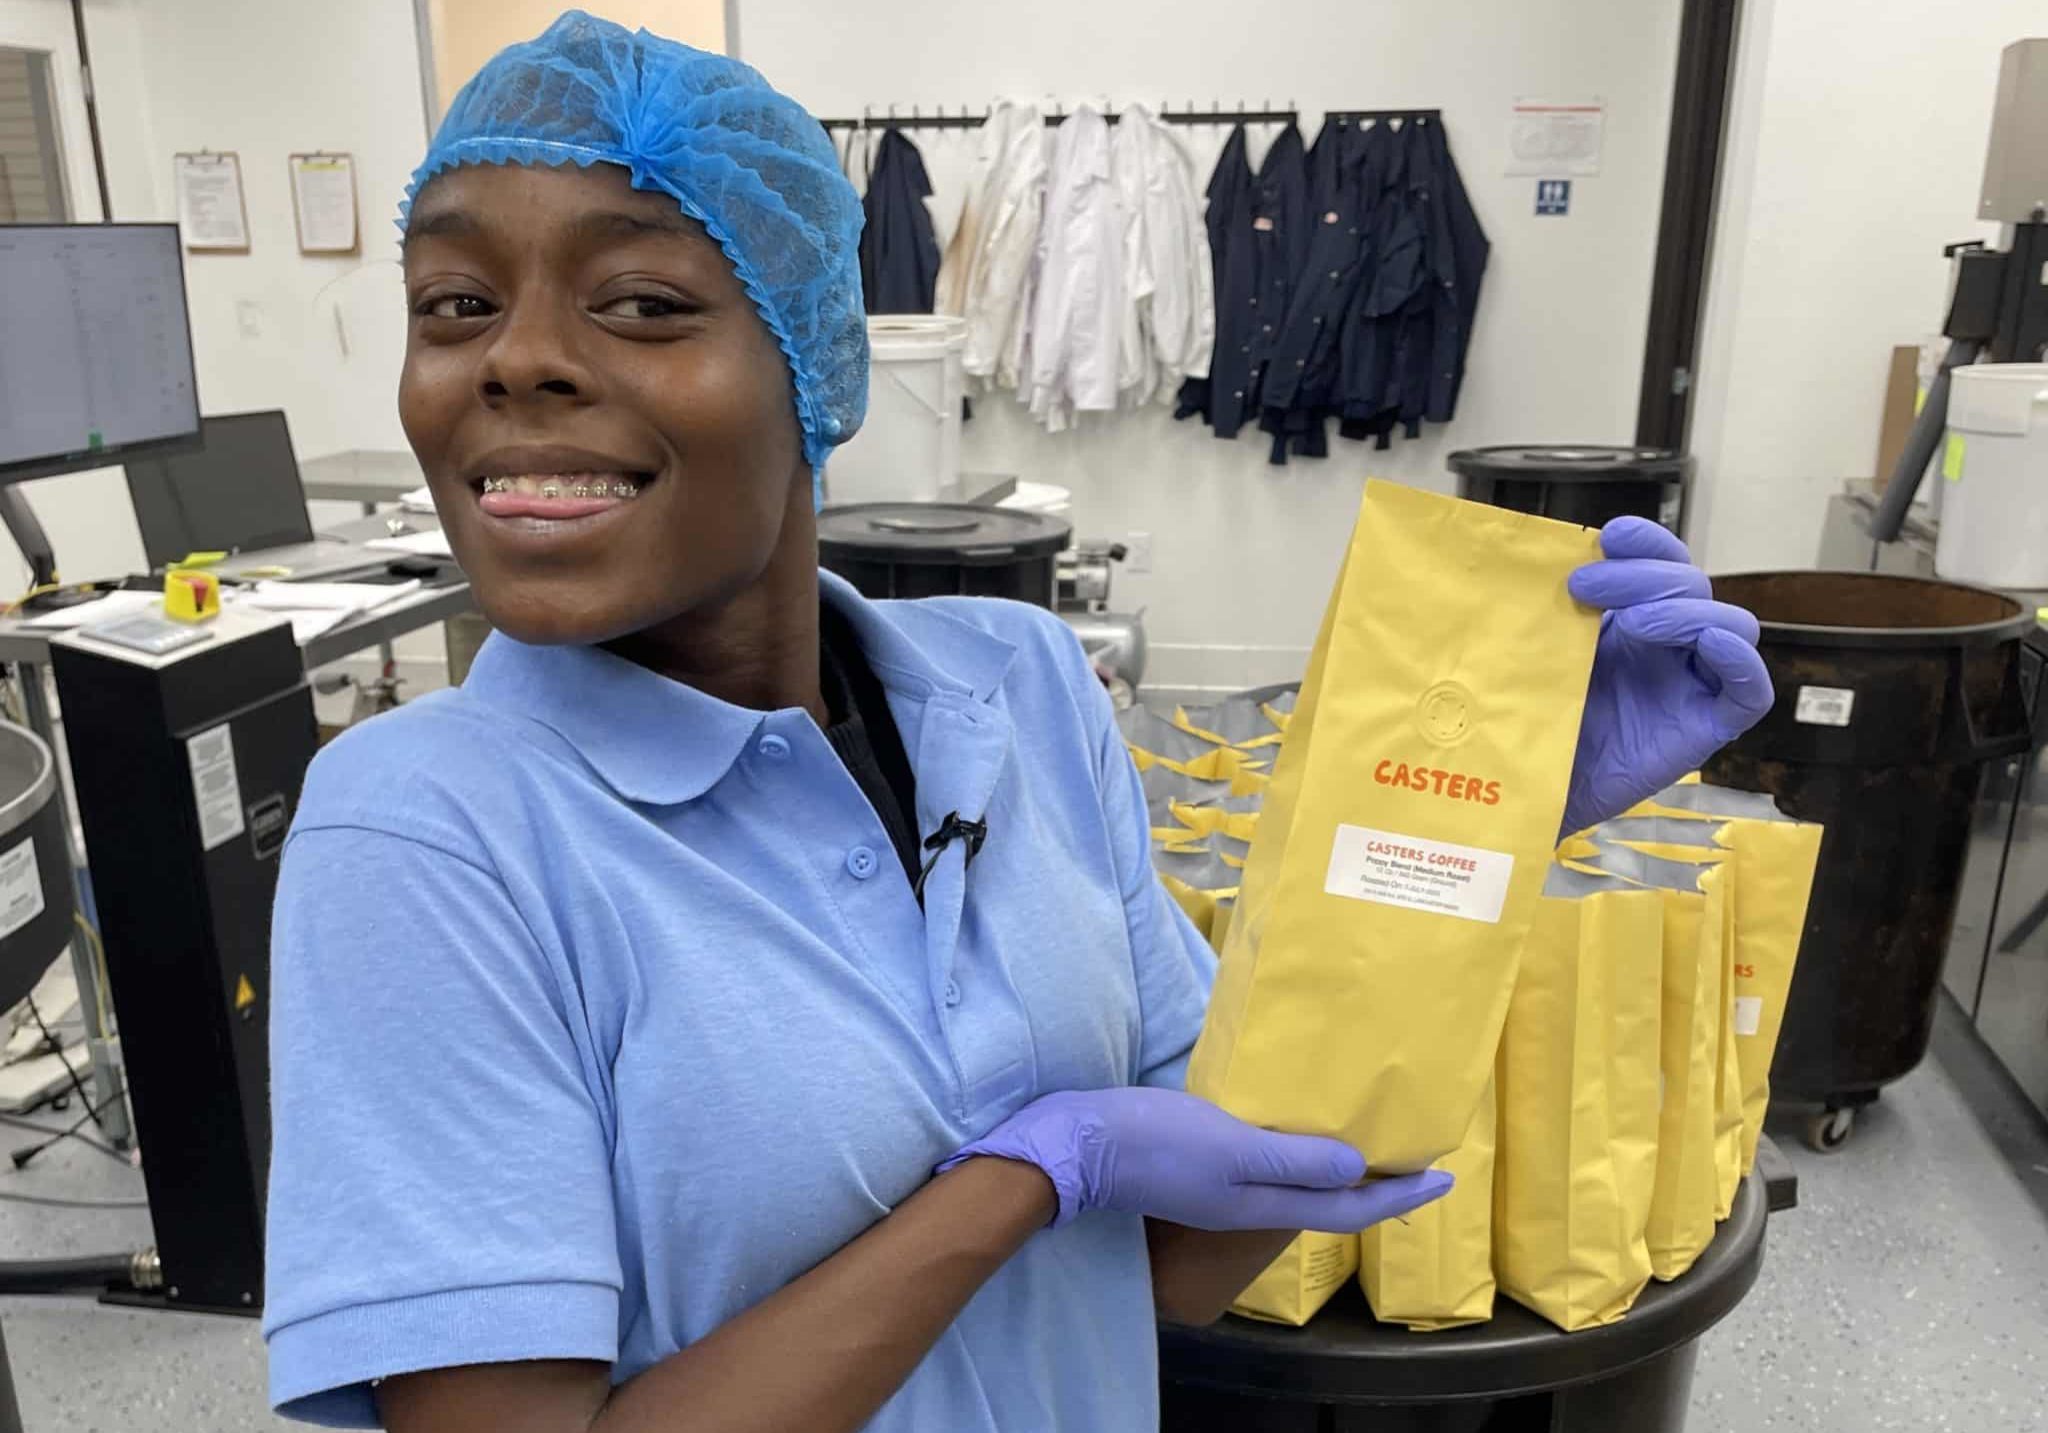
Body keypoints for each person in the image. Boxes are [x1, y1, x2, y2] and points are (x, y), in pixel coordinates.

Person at [261, 13, 1774, 1432]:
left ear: (811, 362)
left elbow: (1177, 1257)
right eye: (454, 303)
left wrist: (1455, 827)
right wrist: (1020, 1178)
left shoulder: (1018, 685)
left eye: (642, 301)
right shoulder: (424, 830)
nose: (512, 358)